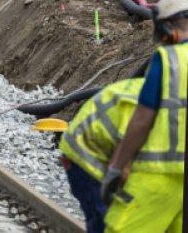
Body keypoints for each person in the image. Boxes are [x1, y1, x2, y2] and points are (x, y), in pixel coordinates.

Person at [102, 0, 188, 233]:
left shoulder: (169, 59)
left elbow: (141, 120)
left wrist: (116, 167)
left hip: (161, 175)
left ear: (167, 27)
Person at [59, 78, 144, 233]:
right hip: (86, 158)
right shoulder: (142, 106)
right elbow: (123, 160)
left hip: (97, 148)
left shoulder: (151, 92)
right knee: (104, 219)